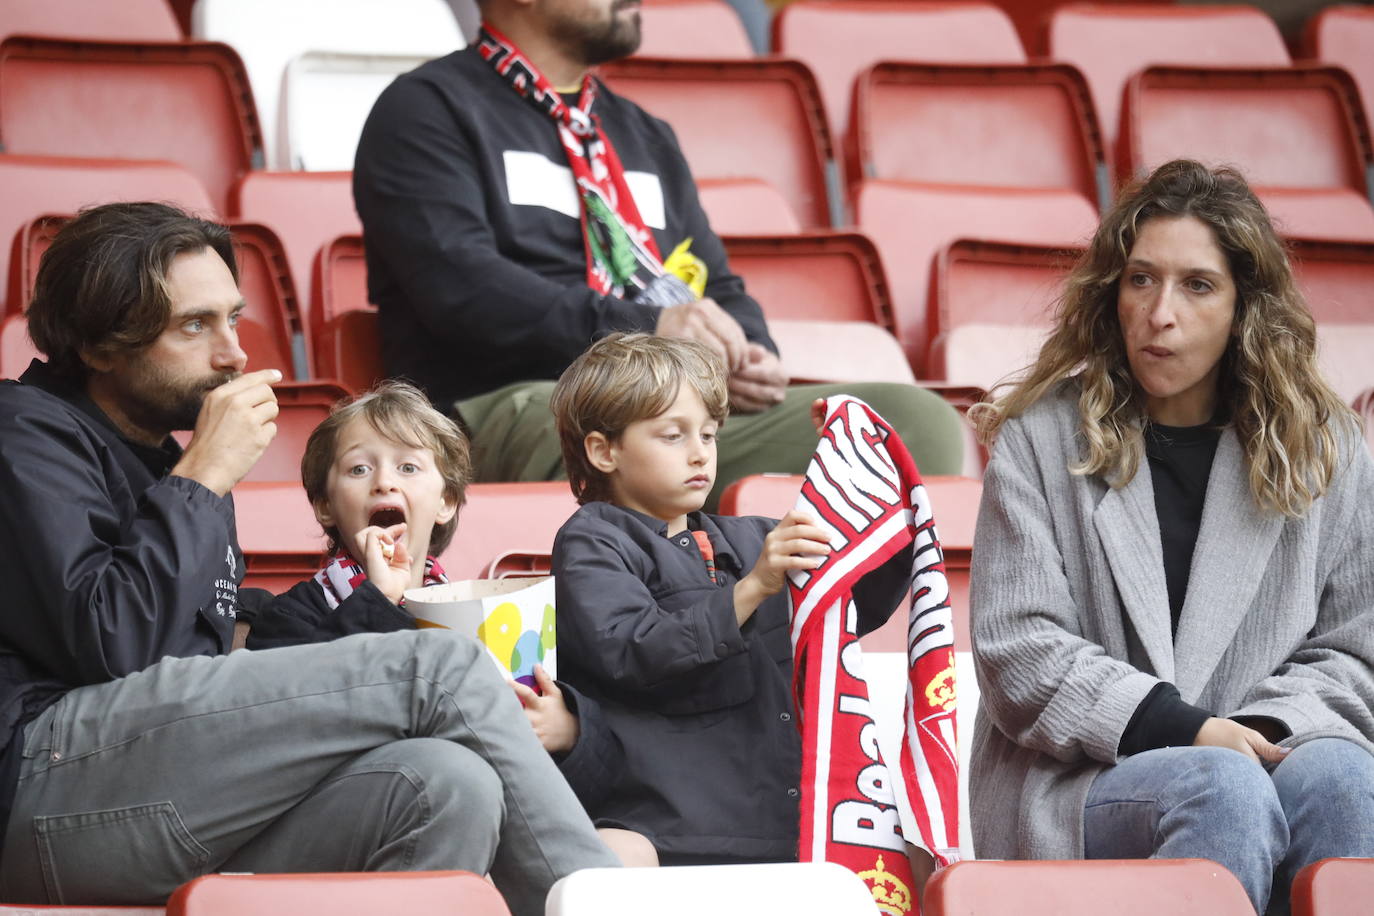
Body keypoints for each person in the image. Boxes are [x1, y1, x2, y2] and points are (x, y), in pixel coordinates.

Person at [0, 202, 617, 914]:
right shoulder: (25, 433)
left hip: (150, 783)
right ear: (100, 344)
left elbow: (199, 642)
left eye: (233, 319)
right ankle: (605, 906)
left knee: (446, 783)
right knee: (439, 663)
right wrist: (201, 477)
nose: (234, 353)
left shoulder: (169, 461)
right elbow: (115, 647)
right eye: (194, 326)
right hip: (40, 786)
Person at [352, 0, 964, 509]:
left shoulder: (644, 134)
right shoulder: (425, 110)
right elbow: (464, 292)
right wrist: (649, 333)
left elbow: (717, 286)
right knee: (654, 441)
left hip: (669, 404)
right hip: (518, 404)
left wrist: (746, 352)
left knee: (906, 422)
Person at [966, 159, 1374, 914]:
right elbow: (1018, 650)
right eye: (1141, 279)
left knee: (1347, 779)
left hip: (1270, 744)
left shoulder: (1328, 448)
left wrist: (1245, 734)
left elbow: (1357, 650)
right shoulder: (1039, 439)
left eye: (1198, 285)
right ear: (1112, 293)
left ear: (1244, 306)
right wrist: (1186, 731)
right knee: (1222, 789)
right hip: (1075, 783)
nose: (1160, 314)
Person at [547, 333, 907, 865]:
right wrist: (752, 589)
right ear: (604, 451)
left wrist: (871, 492)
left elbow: (854, 604)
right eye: (673, 435)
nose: (700, 453)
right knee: (609, 862)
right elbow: (631, 649)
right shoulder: (593, 540)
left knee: (914, 855)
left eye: (710, 435)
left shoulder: (750, 536)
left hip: (786, 823)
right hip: (664, 827)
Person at [243, 380, 626, 821]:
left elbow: (590, 787)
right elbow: (299, 728)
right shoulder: (291, 618)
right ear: (325, 506)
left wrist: (570, 732)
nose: (384, 482)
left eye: (408, 467)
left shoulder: (487, 615)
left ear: (445, 501)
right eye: (358, 470)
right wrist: (378, 602)